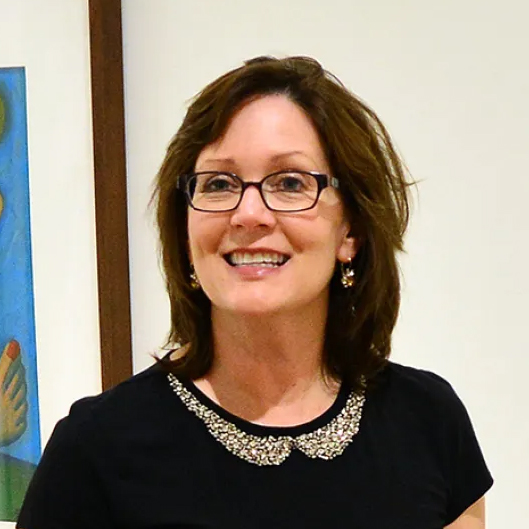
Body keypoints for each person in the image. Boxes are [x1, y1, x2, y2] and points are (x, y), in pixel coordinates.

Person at [17, 56, 493, 529]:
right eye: (219, 184)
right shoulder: (95, 450)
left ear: (351, 231)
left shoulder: (429, 421)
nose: (249, 214)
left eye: (290, 183)